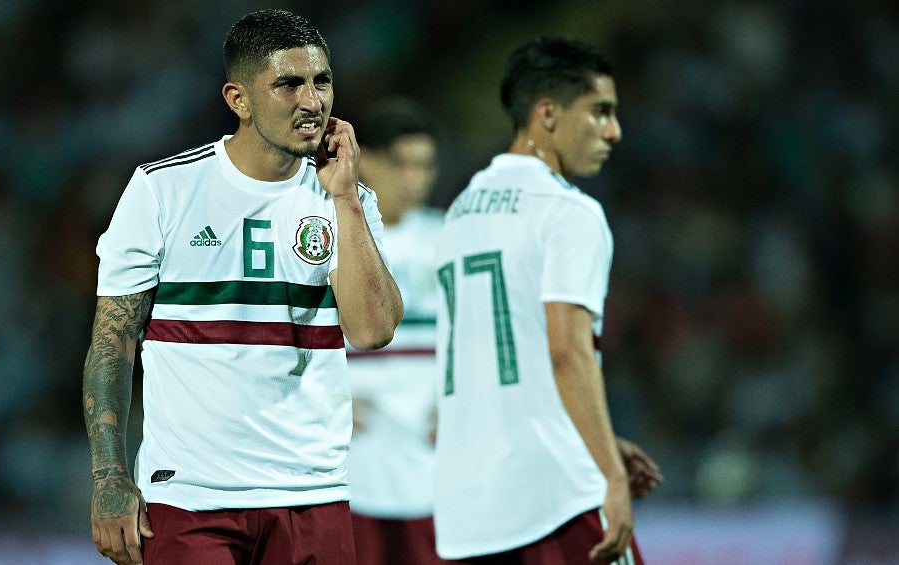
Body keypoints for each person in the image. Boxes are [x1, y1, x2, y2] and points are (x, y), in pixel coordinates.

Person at [82, 9, 402, 565]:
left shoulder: (348, 200)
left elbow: (372, 331)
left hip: (313, 495)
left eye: (321, 81)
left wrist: (346, 196)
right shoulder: (163, 192)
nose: (312, 101)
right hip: (191, 498)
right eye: (288, 84)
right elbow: (113, 342)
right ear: (238, 99)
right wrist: (109, 475)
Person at [432, 37, 662, 564]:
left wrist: (598, 435)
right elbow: (567, 352)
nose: (614, 132)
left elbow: (500, 362)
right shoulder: (567, 213)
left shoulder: (459, 213)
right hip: (557, 498)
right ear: (548, 113)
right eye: (600, 111)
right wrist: (610, 473)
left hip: (470, 508)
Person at [345, 97, 448, 565]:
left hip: (433, 449)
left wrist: (461, 402)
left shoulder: (450, 238)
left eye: (424, 165)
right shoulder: (328, 234)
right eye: (402, 164)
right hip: (351, 450)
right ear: (366, 161)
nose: (415, 179)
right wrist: (327, 398)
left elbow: (477, 339)